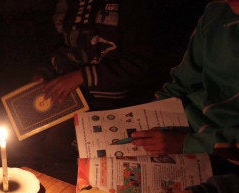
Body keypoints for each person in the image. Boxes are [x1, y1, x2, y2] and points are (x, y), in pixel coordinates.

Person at [130, 0, 239, 174]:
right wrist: (151, 115)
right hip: (186, 128)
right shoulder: (218, 13)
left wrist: (190, 144)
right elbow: (182, 82)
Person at [21, 0, 154, 173]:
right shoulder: (65, 5)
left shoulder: (132, 8)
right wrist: (43, 74)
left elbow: (138, 65)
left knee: (68, 154)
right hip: (65, 98)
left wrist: (81, 76)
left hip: (109, 103)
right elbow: (52, 51)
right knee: (30, 145)